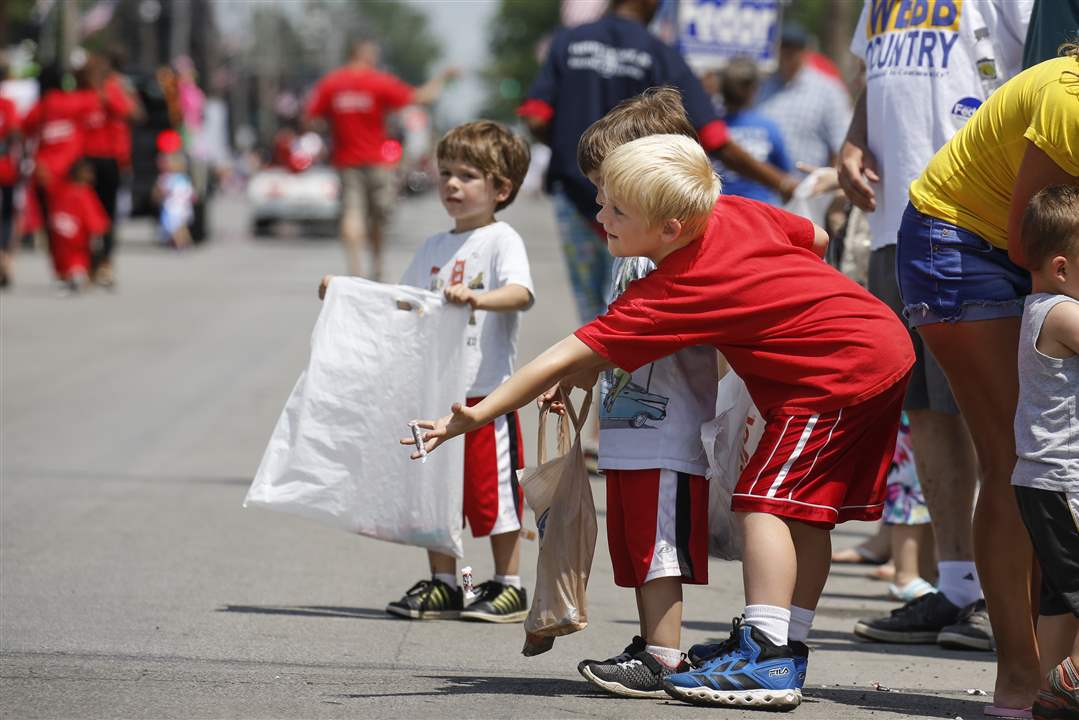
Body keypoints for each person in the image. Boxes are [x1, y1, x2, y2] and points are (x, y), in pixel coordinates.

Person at [407, 131, 914, 711]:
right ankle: (785, 644)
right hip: (875, 343)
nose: (601, 216)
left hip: (833, 374)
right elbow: (816, 236)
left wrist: (477, 414)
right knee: (803, 514)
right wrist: (775, 299)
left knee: (763, 504)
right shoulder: (731, 212)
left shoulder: (677, 286)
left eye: (617, 210)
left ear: (670, 229)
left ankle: (768, 656)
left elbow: (562, 354)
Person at [839, 0, 1032, 659]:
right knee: (922, 406)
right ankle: (956, 585)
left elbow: (1041, 66)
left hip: (981, 222)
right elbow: (873, 75)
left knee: (990, 415)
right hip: (898, 220)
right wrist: (853, 137)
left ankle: (1009, 592)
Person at [893, 49, 1079, 717]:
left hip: (1040, 257)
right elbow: (1026, 240)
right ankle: (1019, 680)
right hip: (962, 245)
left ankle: (1058, 675)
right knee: (1020, 459)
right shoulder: (1069, 101)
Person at [321, 120, 534, 623]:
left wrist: (478, 297)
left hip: (484, 399)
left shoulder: (502, 241)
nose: (452, 185)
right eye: (445, 174)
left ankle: (509, 584)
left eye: (467, 176)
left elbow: (521, 294)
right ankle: (448, 582)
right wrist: (348, 292)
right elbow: (404, 301)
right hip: (436, 394)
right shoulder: (433, 248)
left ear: (500, 189)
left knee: (494, 497)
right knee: (436, 496)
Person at [517, 0, 798, 327]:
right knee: (633, 305)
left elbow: (535, 117)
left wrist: (570, 149)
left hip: (576, 197)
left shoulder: (567, 42)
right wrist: (782, 182)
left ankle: (597, 368)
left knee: (590, 309)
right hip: (641, 205)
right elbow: (715, 137)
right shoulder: (660, 53)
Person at [568, 88, 717, 699]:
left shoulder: (678, 248)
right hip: (632, 422)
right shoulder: (630, 246)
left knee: (658, 546)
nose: (602, 202)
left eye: (611, 186)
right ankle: (650, 641)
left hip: (670, 424)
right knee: (634, 544)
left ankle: (663, 654)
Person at [1010, 185, 1079, 720]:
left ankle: (1052, 693)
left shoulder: (1040, 307)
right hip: (1064, 480)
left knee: (1062, 593)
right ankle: (1072, 681)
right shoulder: (1060, 313)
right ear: (1060, 268)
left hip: (1042, 481)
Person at [305, 38, 456, 280]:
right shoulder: (378, 82)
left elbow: (310, 118)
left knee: (351, 214)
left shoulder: (332, 84)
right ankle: (376, 266)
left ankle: (355, 271)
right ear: (365, 56)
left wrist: (333, 127)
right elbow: (421, 97)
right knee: (378, 217)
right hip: (377, 161)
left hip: (346, 160)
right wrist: (443, 77)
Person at [21, 66, 96, 285]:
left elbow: (24, 127)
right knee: (76, 224)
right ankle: (79, 266)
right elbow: (95, 102)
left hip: (46, 175)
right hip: (71, 175)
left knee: (55, 228)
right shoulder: (74, 101)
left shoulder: (42, 106)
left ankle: (62, 270)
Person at [756, 23, 850, 175]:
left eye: (795, 48)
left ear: (805, 51)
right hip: (763, 186)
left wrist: (831, 187)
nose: (789, 53)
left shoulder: (828, 91)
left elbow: (840, 146)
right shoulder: (761, 86)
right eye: (785, 46)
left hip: (807, 189)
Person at [78, 52, 138, 287]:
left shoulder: (113, 89)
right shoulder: (81, 94)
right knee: (85, 214)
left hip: (111, 160)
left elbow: (132, 113)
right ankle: (87, 263)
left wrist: (107, 97)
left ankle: (105, 262)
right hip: (86, 161)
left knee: (108, 214)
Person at [711, 58, 792, 206]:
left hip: (719, 211)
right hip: (762, 212)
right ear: (754, 88)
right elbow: (785, 173)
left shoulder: (709, 128)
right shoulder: (768, 127)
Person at [46, 159, 109, 292]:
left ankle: (69, 276)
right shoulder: (83, 192)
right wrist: (97, 228)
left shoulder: (63, 190)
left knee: (65, 259)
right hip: (77, 236)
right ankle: (80, 275)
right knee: (79, 258)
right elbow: (92, 216)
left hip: (63, 233)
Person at [0, 58, 19, 289]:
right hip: (4, 165)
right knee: (6, 216)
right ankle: (4, 257)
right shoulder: (7, 103)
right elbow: (15, 131)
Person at [154, 153, 195, 249]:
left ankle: (182, 243)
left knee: (178, 227)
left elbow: (188, 191)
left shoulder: (177, 178)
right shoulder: (167, 178)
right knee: (177, 227)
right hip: (173, 207)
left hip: (178, 207)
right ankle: (181, 243)